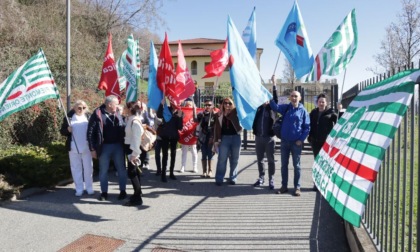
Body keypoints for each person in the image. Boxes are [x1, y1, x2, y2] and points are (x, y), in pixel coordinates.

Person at [270, 88, 310, 196]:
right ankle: (284, 186)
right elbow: (275, 107)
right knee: (284, 165)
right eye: (292, 96)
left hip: (296, 143)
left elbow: (307, 128)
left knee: (296, 166)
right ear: (290, 98)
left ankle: (297, 187)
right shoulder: (287, 108)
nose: (294, 98)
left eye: (296, 96)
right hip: (284, 142)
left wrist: (301, 140)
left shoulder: (303, 111)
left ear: (300, 98)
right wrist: (269, 97)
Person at [87, 95, 127, 201]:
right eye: (116, 104)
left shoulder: (119, 114)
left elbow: (125, 127)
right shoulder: (97, 114)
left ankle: (123, 191)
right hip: (104, 147)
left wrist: (121, 115)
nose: (118, 105)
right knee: (103, 170)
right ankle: (104, 192)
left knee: (121, 169)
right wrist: (92, 149)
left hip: (118, 145)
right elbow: (90, 132)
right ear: (109, 104)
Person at [60, 100, 94, 197]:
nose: (81, 110)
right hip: (74, 147)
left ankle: (89, 187)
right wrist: (67, 130)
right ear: (74, 108)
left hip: (86, 147)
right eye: (79, 108)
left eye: (83, 108)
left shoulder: (88, 117)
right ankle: (79, 188)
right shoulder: (69, 118)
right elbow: (62, 131)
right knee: (76, 168)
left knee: (88, 168)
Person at [252, 77, 277, 189]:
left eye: (267, 98)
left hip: (269, 138)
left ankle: (271, 179)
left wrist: (274, 84)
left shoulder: (271, 108)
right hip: (259, 138)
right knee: (260, 159)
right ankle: (261, 177)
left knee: (270, 160)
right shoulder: (258, 109)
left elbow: (275, 99)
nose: (265, 100)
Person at [308, 94, 338, 191]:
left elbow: (340, 121)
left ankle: (325, 183)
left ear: (326, 103)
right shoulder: (313, 112)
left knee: (325, 163)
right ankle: (316, 184)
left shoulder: (331, 112)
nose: (321, 103)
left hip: (326, 142)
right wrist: (310, 136)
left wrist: (339, 110)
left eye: (323, 102)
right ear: (317, 102)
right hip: (315, 141)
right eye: (320, 101)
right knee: (317, 163)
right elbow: (309, 124)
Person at [213, 97, 243, 186]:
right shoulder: (219, 114)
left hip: (236, 137)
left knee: (235, 159)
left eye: (229, 103)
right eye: (225, 103)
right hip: (224, 138)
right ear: (222, 104)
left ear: (232, 104)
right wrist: (216, 140)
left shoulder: (236, 112)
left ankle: (233, 177)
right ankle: (219, 178)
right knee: (222, 159)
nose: (227, 105)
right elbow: (216, 128)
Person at [123, 101, 144, 206]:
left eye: (125, 107)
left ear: (130, 109)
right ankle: (138, 193)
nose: (123, 108)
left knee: (132, 173)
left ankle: (137, 198)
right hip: (129, 148)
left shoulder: (135, 121)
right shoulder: (130, 119)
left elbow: (136, 139)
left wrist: (135, 154)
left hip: (133, 149)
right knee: (134, 172)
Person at [156, 100, 184, 182]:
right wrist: (161, 104)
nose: (176, 104)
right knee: (165, 155)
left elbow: (180, 127)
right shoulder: (166, 109)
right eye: (174, 102)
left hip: (174, 137)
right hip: (165, 136)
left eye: (178, 103)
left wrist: (179, 117)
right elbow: (159, 115)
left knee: (173, 155)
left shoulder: (179, 112)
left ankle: (171, 173)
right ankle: (163, 174)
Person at [196, 98, 216, 178]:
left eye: (209, 105)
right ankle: (204, 171)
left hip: (211, 137)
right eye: (206, 105)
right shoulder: (201, 114)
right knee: (204, 154)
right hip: (203, 137)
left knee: (210, 154)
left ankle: (210, 171)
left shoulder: (215, 115)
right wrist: (194, 111)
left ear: (213, 106)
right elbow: (196, 121)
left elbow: (216, 126)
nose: (207, 106)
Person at [179, 99, 198, 173]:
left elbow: (196, 120)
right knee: (184, 152)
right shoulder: (183, 112)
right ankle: (183, 166)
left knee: (194, 152)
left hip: (192, 135)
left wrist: (195, 110)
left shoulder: (195, 112)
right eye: (187, 105)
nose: (188, 107)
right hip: (185, 135)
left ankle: (195, 167)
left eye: (190, 105)